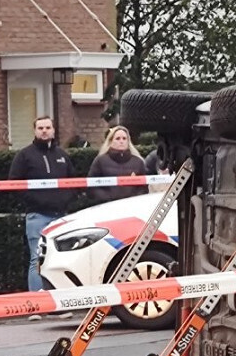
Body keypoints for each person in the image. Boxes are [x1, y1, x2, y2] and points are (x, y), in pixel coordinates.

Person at [8, 116, 75, 306]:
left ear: (53, 130)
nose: (44, 131)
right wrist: (35, 201)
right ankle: (36, 305)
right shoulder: (24, 156)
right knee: (37, 260)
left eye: (47, 127)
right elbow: (14, 183)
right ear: (35, 131)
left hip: (61, 217)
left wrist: (66, 200)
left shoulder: (62, 155)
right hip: (37, 216)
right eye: (40, 128)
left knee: (62, 259)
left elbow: (74, 181)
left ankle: (61, 304)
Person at [88, 125, 147, 204]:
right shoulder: (100, 161)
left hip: (132, 205)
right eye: (118, 138)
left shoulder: (138, 162)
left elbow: (143, 187)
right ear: (110, 141)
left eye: (124, 138)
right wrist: (107, 198)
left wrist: (133, 199)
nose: (121, 141)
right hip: (107, 205)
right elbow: (92, 185)